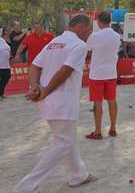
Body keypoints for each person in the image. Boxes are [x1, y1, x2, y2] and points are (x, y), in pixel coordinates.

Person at [13, 14, 97, 192]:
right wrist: (44, 90)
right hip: (62, 101)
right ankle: (25, 187)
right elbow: (64, 72)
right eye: (88, 29)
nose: (89, 33)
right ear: (80, 27)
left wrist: (36, 87)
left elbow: (34, 66)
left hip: (49, 101)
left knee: (67, 139)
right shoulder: (79, 45)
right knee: (64, 143)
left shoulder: (53, 43)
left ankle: (77, 175)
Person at [85, 11, 122, 140]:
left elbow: (87, 50)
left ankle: (97, 131)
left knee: (98, 102)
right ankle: (113, 128)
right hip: (111, 73)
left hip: (97, 74)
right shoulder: (117, 36)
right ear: (110, 21)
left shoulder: (94, 36)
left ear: (98, 21)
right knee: (112, 100)